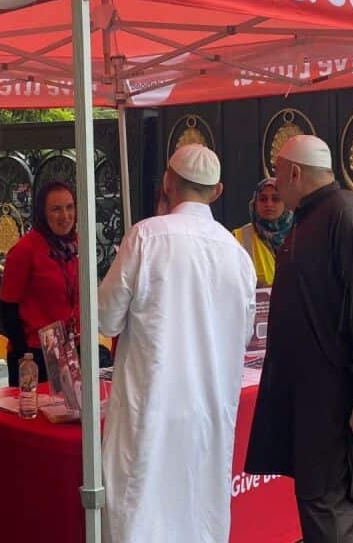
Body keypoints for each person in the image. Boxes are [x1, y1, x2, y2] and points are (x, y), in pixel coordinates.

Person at [246, 135, 353, 542]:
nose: (275, 186)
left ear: (295, 172)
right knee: (319, 509)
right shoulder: (312, 218)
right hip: (317, 407)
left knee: (330, 514)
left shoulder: (347, 215)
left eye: (278, 174)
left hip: (341, 408)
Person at [97, 144, 256, 543]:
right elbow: (244, 333)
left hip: (151, 407)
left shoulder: (145, 237)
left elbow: (106, 318)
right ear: (216, 191)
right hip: (208, 409)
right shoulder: (238, 256)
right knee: (198, 509)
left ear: (167, 181)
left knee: (140, 508)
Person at [0, 180, 79, 385]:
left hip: (72, 348)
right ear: (42, 213)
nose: (65, 216)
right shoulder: (25, 250)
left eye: (70, 207)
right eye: (56, 209)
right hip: (34, 352)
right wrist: (25, 356)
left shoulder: (79, 244)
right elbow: (8, 308)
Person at [232, 177, 293, 287]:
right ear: (255, 203)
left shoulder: (300, 234)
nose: (269, 204)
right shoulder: (239, 238)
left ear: (286, 203)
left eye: (276, 199)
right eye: (263, 199)